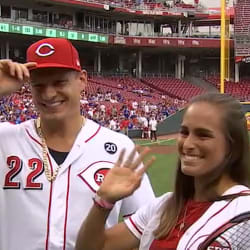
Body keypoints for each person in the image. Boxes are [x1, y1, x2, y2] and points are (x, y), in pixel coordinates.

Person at [0, 38, 155, 250]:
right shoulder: (5, 139)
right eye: (39, 85)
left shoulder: (119, 148)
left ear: (82, 80)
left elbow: (146, 227)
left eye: (59, 82)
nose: (49, 94)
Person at [75, 93, 250, 250]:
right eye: (184, 132)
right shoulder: (164, 207)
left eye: (203, 135)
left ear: (232, 146)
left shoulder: (244, 213)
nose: (188, 144)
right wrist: (103, 201)